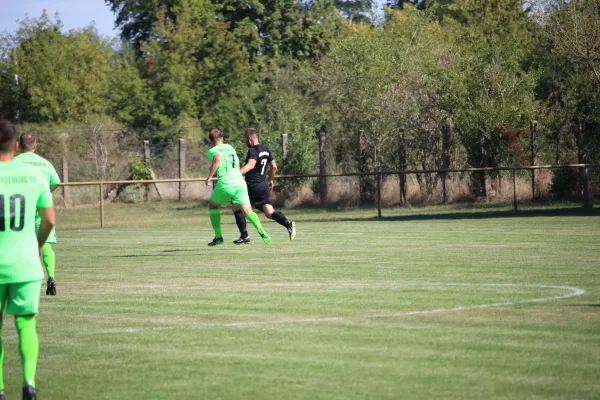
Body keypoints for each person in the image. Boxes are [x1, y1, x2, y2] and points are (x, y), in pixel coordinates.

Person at [0, 120, 55, 400]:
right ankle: (28, 385)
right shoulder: (35, 174)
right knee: (25, 325)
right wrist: (38, 244)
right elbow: (49, 219)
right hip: (25, 264)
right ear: (16, 145)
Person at [205, 128, 271, 246]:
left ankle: (218, 237)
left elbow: (217, 159)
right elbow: (236, 163)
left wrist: (209, 176)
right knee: (247, 211)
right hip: (240, 181)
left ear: (211, 141)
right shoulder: (230, 147)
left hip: (226, 183)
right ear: (222, 139)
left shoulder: (212, 150)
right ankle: (261, 230)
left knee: (213, 206)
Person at [15, 132, 60, 295]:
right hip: (42, 207)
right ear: (35, 146)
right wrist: (45, 193)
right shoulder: (45, 163)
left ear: (19, 145)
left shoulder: (13, 162)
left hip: (21, 208)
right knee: (46, 244)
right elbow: (56, 181)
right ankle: (51, 278)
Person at [233, 128, 296, 244]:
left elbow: (251, 165)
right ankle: (288, 223)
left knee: (237, 206)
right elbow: (274, 166)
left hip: (252, 185)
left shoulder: (252, 150)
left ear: (249, 138)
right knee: (269, 212)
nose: (246, 141)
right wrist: (270, 180)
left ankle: (244, 235)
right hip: (263, 186)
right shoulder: (265, 149)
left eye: (246, 139)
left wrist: (237, 173)